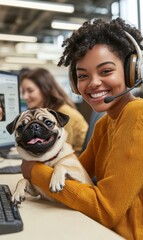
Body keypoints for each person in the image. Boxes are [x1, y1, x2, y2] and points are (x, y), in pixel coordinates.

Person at [21, 18, 143, 239]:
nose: (93, 83)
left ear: (131, 71)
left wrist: (35, 172)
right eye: (83, 76)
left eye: (106, 71)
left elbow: (106, 210)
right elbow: (76, 170)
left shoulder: (137, 114)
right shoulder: (105, 122)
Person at [20, 67, 88, 155]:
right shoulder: (45, 113)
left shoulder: (63, 112)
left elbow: (60, 152)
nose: (25, 97)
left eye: (30, 91)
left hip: (76, 162)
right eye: (23, 92)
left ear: (45, 89)